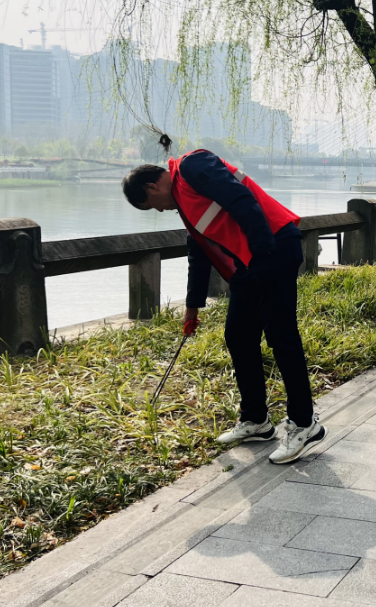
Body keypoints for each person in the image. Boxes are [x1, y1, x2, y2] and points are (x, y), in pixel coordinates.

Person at [121, 144, 326, 464]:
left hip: (273, 246)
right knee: (239, 335)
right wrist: (192, 306)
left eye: (153, 206)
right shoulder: (186, 205)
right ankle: (256, 420)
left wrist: (261, 256)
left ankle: (304, 423)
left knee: (281, 336)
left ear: (152, 187)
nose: (160, 210)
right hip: (252, 261)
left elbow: (241, 199)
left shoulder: (192, 167)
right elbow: (198, 251)